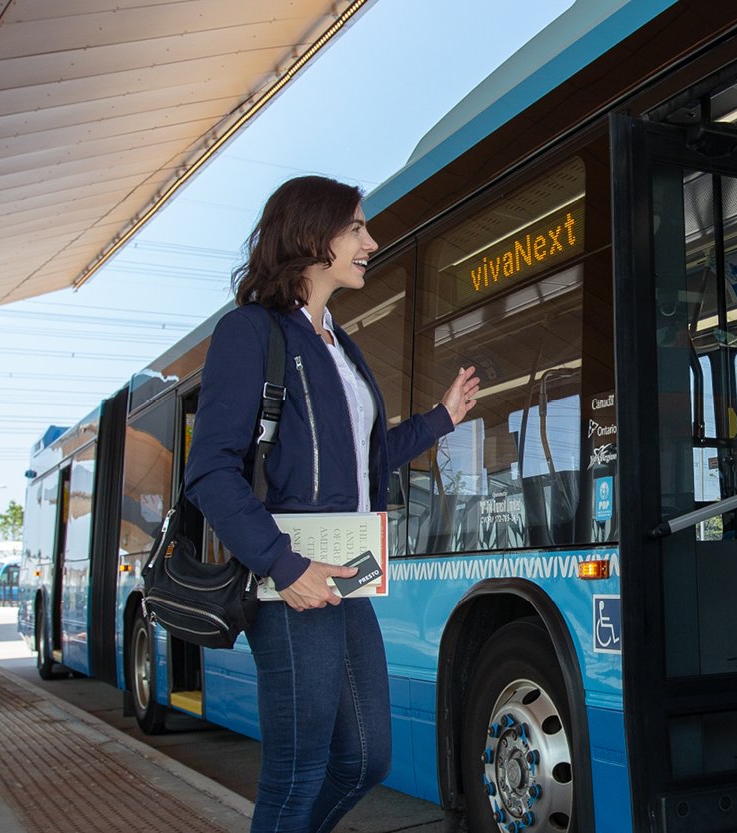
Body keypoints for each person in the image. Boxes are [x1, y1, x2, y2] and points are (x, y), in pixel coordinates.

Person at [184, 175, 481, 833]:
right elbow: (208, 471)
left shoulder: (340, 346)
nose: (370, 241)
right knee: (297, 769)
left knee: (366, 757)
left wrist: (440, 419)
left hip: (349, 570)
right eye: (356, 228)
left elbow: (364, 461)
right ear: (312, 235)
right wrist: (283, 567)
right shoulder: (252, 332)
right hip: (291, 578)